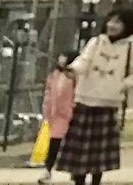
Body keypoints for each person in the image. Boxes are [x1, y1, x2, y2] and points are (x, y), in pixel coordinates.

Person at [61, 7, 133, 185]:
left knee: (99, 152)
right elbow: (84, 60)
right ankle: (79, 181)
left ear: (126, 26)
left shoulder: (131, 48)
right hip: (85, 99)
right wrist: (73, 70)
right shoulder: (96, 42)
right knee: (80, 149)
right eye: (111, 21)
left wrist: (122, 85)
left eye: (118, 22)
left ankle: (96, 182)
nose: (112, 25)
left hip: (108, 103)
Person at [38, 51, 76, 184]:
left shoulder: (74, 77)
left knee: (73, 145)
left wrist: (73, 108)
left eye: (64, 57)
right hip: (57, 115)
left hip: (71, 115)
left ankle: (75, 171)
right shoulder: (54, 76)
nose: (61, 60)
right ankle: (47, 170)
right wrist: (47, 110)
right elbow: (49, 93)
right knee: (54, 143)